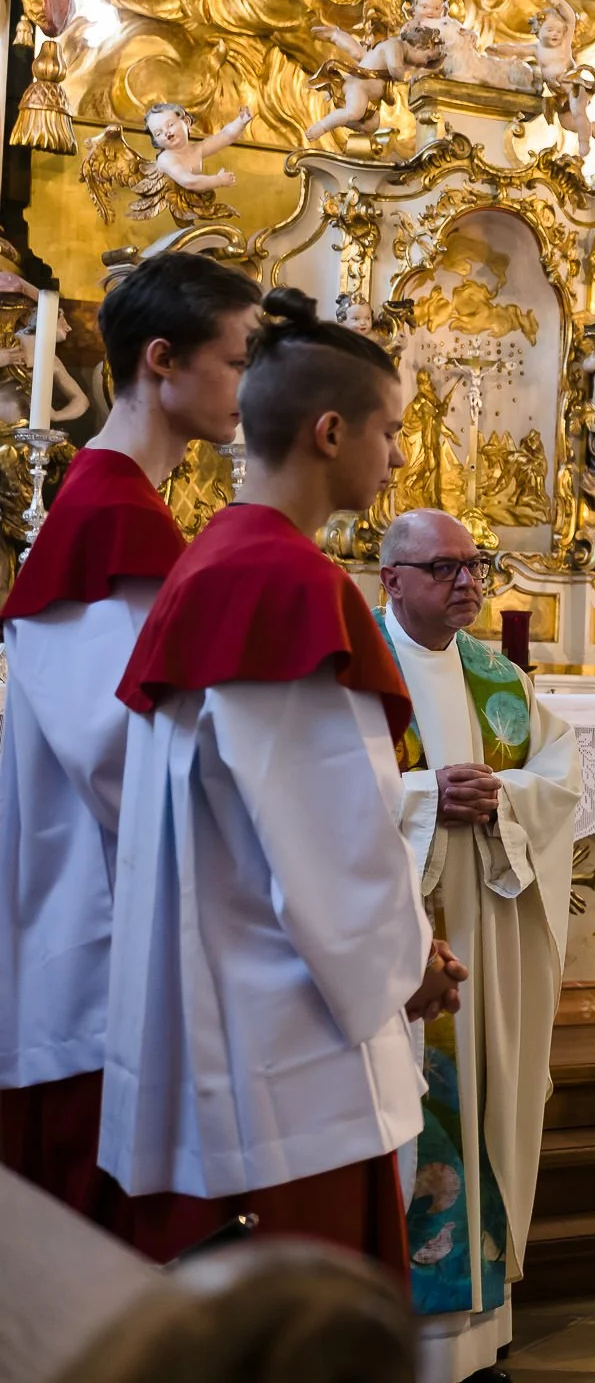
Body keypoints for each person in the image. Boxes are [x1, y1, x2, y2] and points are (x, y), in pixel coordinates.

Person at [104, 286, 460, 1270]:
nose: (395, 455)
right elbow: (333, 849)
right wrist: (413, 968)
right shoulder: (287, 586)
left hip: (219, 1011)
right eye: (388, 429)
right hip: (283, 1051)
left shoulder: (216, 560)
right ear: (330, 429)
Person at [0, 252, 261, 1220]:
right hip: (102, 935)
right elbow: (125, 757)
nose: (249, 387)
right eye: (237, 360)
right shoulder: (109, 518)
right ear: (162, 358)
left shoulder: (125, 509)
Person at [375, 509, 580, 1381]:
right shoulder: (357, 670)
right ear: (391, 579)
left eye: (478, 566)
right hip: (396, 941)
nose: (468, 583)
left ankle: (479, 1330)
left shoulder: (500, 679)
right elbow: (310, 788)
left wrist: (502, 797)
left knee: (488, 1101)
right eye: (445, 568)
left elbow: (559, 778)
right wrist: (424, 796)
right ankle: (400, 1335)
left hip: (486, 933)